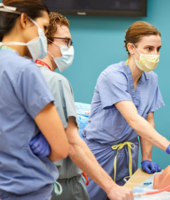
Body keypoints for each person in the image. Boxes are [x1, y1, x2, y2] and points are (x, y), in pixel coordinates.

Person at [83, 21, 170, 200]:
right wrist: (168, 145)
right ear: (131, 48)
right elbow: (134, 120)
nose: (155, 54)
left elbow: (148, 120)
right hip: (100, 154)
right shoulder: (113, 76)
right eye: (149, 48)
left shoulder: (151, 79)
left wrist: (147, 158)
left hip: (128, 154)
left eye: (158, 49)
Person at [30, 12, 134, 200]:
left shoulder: (22, 75)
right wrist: (110, 187)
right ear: (44, 41)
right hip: (60, 186)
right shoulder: (56, 82)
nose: (70, 47)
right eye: (66, 41)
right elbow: (72, 143)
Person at [0, 1, 70, 199]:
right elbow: (61, 148)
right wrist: (48, 140)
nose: (44, 35)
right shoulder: (25, 69)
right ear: (24, 19)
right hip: (24, 189)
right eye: (45, 27)